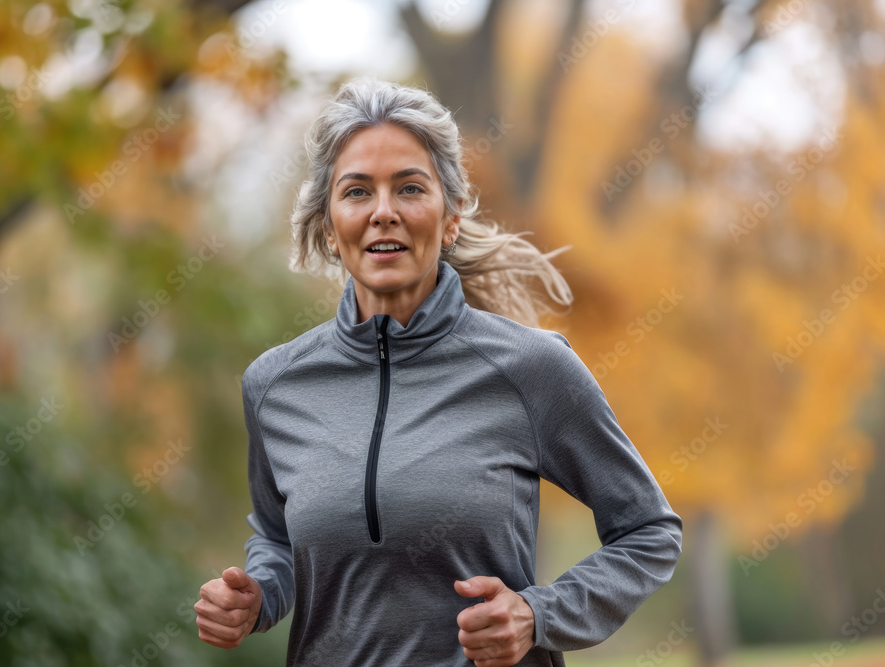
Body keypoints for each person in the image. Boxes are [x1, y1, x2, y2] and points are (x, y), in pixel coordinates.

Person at [194, 77, 682, 667]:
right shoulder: (275, 386)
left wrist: (539, 614)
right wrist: (259, 597)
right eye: (356, 192)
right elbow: (277, 537)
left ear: (449, 219)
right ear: (328, 226)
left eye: (409, 188)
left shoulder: (531, 369)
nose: (383, 212)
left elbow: (648, 531)